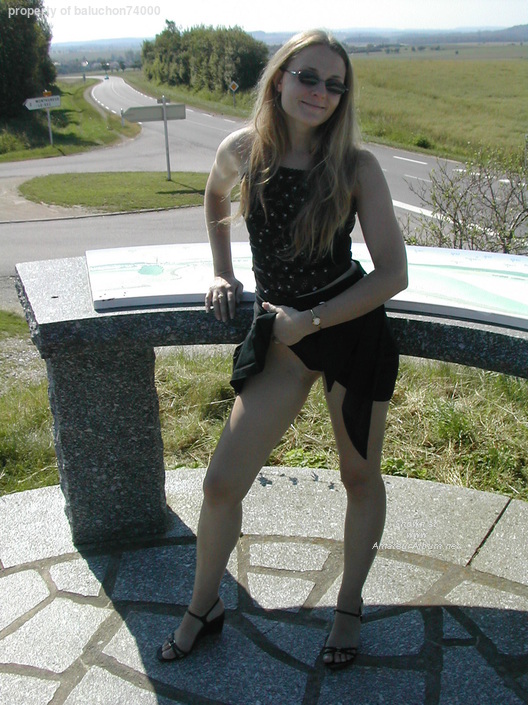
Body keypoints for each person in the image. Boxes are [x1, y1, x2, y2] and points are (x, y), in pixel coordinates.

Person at [157, 28, 408, 670]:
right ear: (278, 79)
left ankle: (348, 606)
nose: (320, 92)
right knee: (220, 484)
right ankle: (204, 607)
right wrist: (222, 272)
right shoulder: (243, 150)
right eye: (308, 77)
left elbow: (392, 274)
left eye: (334, 84)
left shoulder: (356, 166)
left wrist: (312, 319)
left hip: (348, 331)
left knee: (358, 476)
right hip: (282, 338)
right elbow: (214, 194)